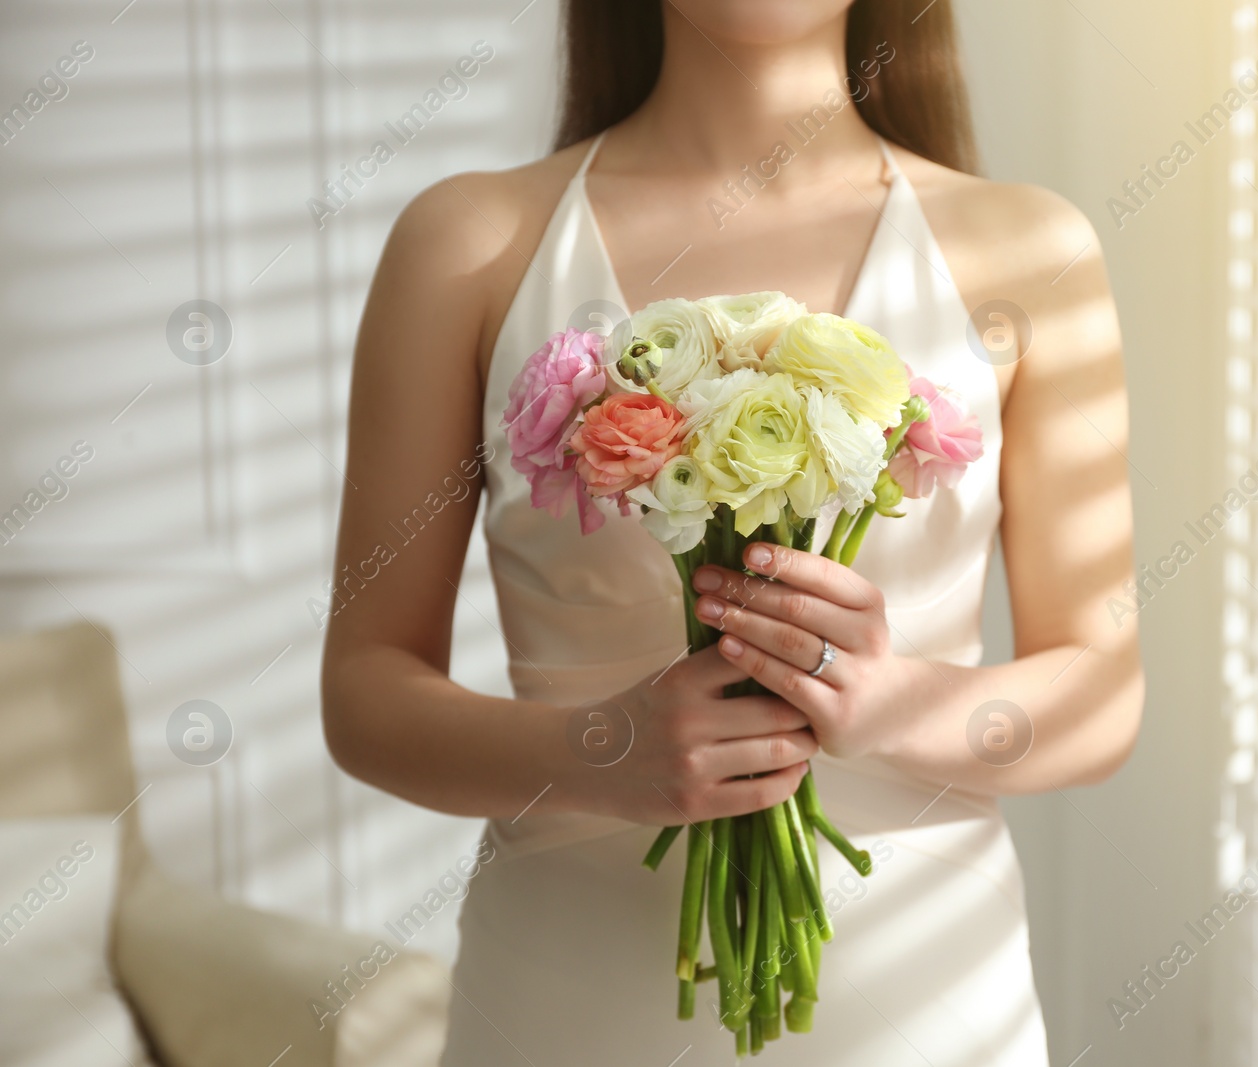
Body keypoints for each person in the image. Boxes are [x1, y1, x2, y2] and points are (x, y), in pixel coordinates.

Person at [321, 1, 1143, 1062]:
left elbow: (1101, 692)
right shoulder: (469, 244)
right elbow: (365, 689)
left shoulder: (1028, 248)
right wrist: (599, 750)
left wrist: (891, 703)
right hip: (566, 999)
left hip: (929, 1010)